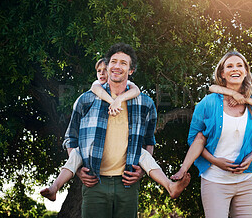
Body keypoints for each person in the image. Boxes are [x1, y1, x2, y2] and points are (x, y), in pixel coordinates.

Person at [40, 58, 190, 203]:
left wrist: (119, 99)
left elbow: (135, 90)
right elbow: (71, 137)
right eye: (99, 71)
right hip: (92, 158)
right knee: (74, 157)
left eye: (105, 70)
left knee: (146, 157)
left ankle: (170, 186)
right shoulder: (92, 91)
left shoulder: (131, 90)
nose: (102, 74)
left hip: (126, 163)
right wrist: (113, 102)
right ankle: (55, 187)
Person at [60, 43, 181, 218]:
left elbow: (149, 142)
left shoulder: (145, 103)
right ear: (107, 66)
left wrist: (140, 171)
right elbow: (71, 138)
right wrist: (78, 170)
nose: (117, 66)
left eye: (123, 63)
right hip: (94, 183)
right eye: (114, 62)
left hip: (127, 184)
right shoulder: (85, 100)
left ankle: (169, 186)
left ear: (131, 70)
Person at [179, 51, 252, 217]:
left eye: (240, 65)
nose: (235, 69)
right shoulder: (207, 103)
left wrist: (249, 158)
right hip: (214, 180)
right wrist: (215, 161)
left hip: (245, 181)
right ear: (222, 73)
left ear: (246, 71)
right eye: (230, 66)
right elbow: (194, 139)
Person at [172, 73, 252, 186]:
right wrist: (236, 95)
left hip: (244, 174)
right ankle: (183, 168)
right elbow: (213, 88)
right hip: (214, 171)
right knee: (200, 137)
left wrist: (250, 157)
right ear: (246, 85)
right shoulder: (225, 99)